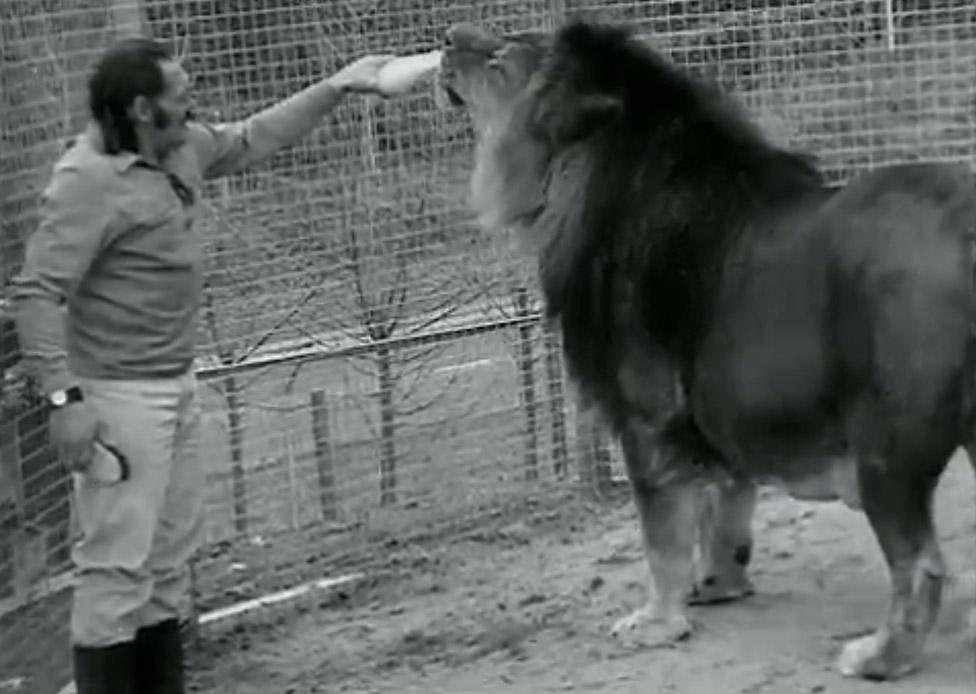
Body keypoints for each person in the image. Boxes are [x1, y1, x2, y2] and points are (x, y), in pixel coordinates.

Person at [9, 36, 415, 694]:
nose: (192, 98)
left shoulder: (180, 147)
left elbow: (253, 138)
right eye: (180, 91)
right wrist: (64, 401)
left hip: (174, 381)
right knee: (116, 568)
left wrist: (340, 85)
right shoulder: (86, 180)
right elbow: (38, 293)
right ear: (142, 108)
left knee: (167, 565)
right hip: (118, 396)